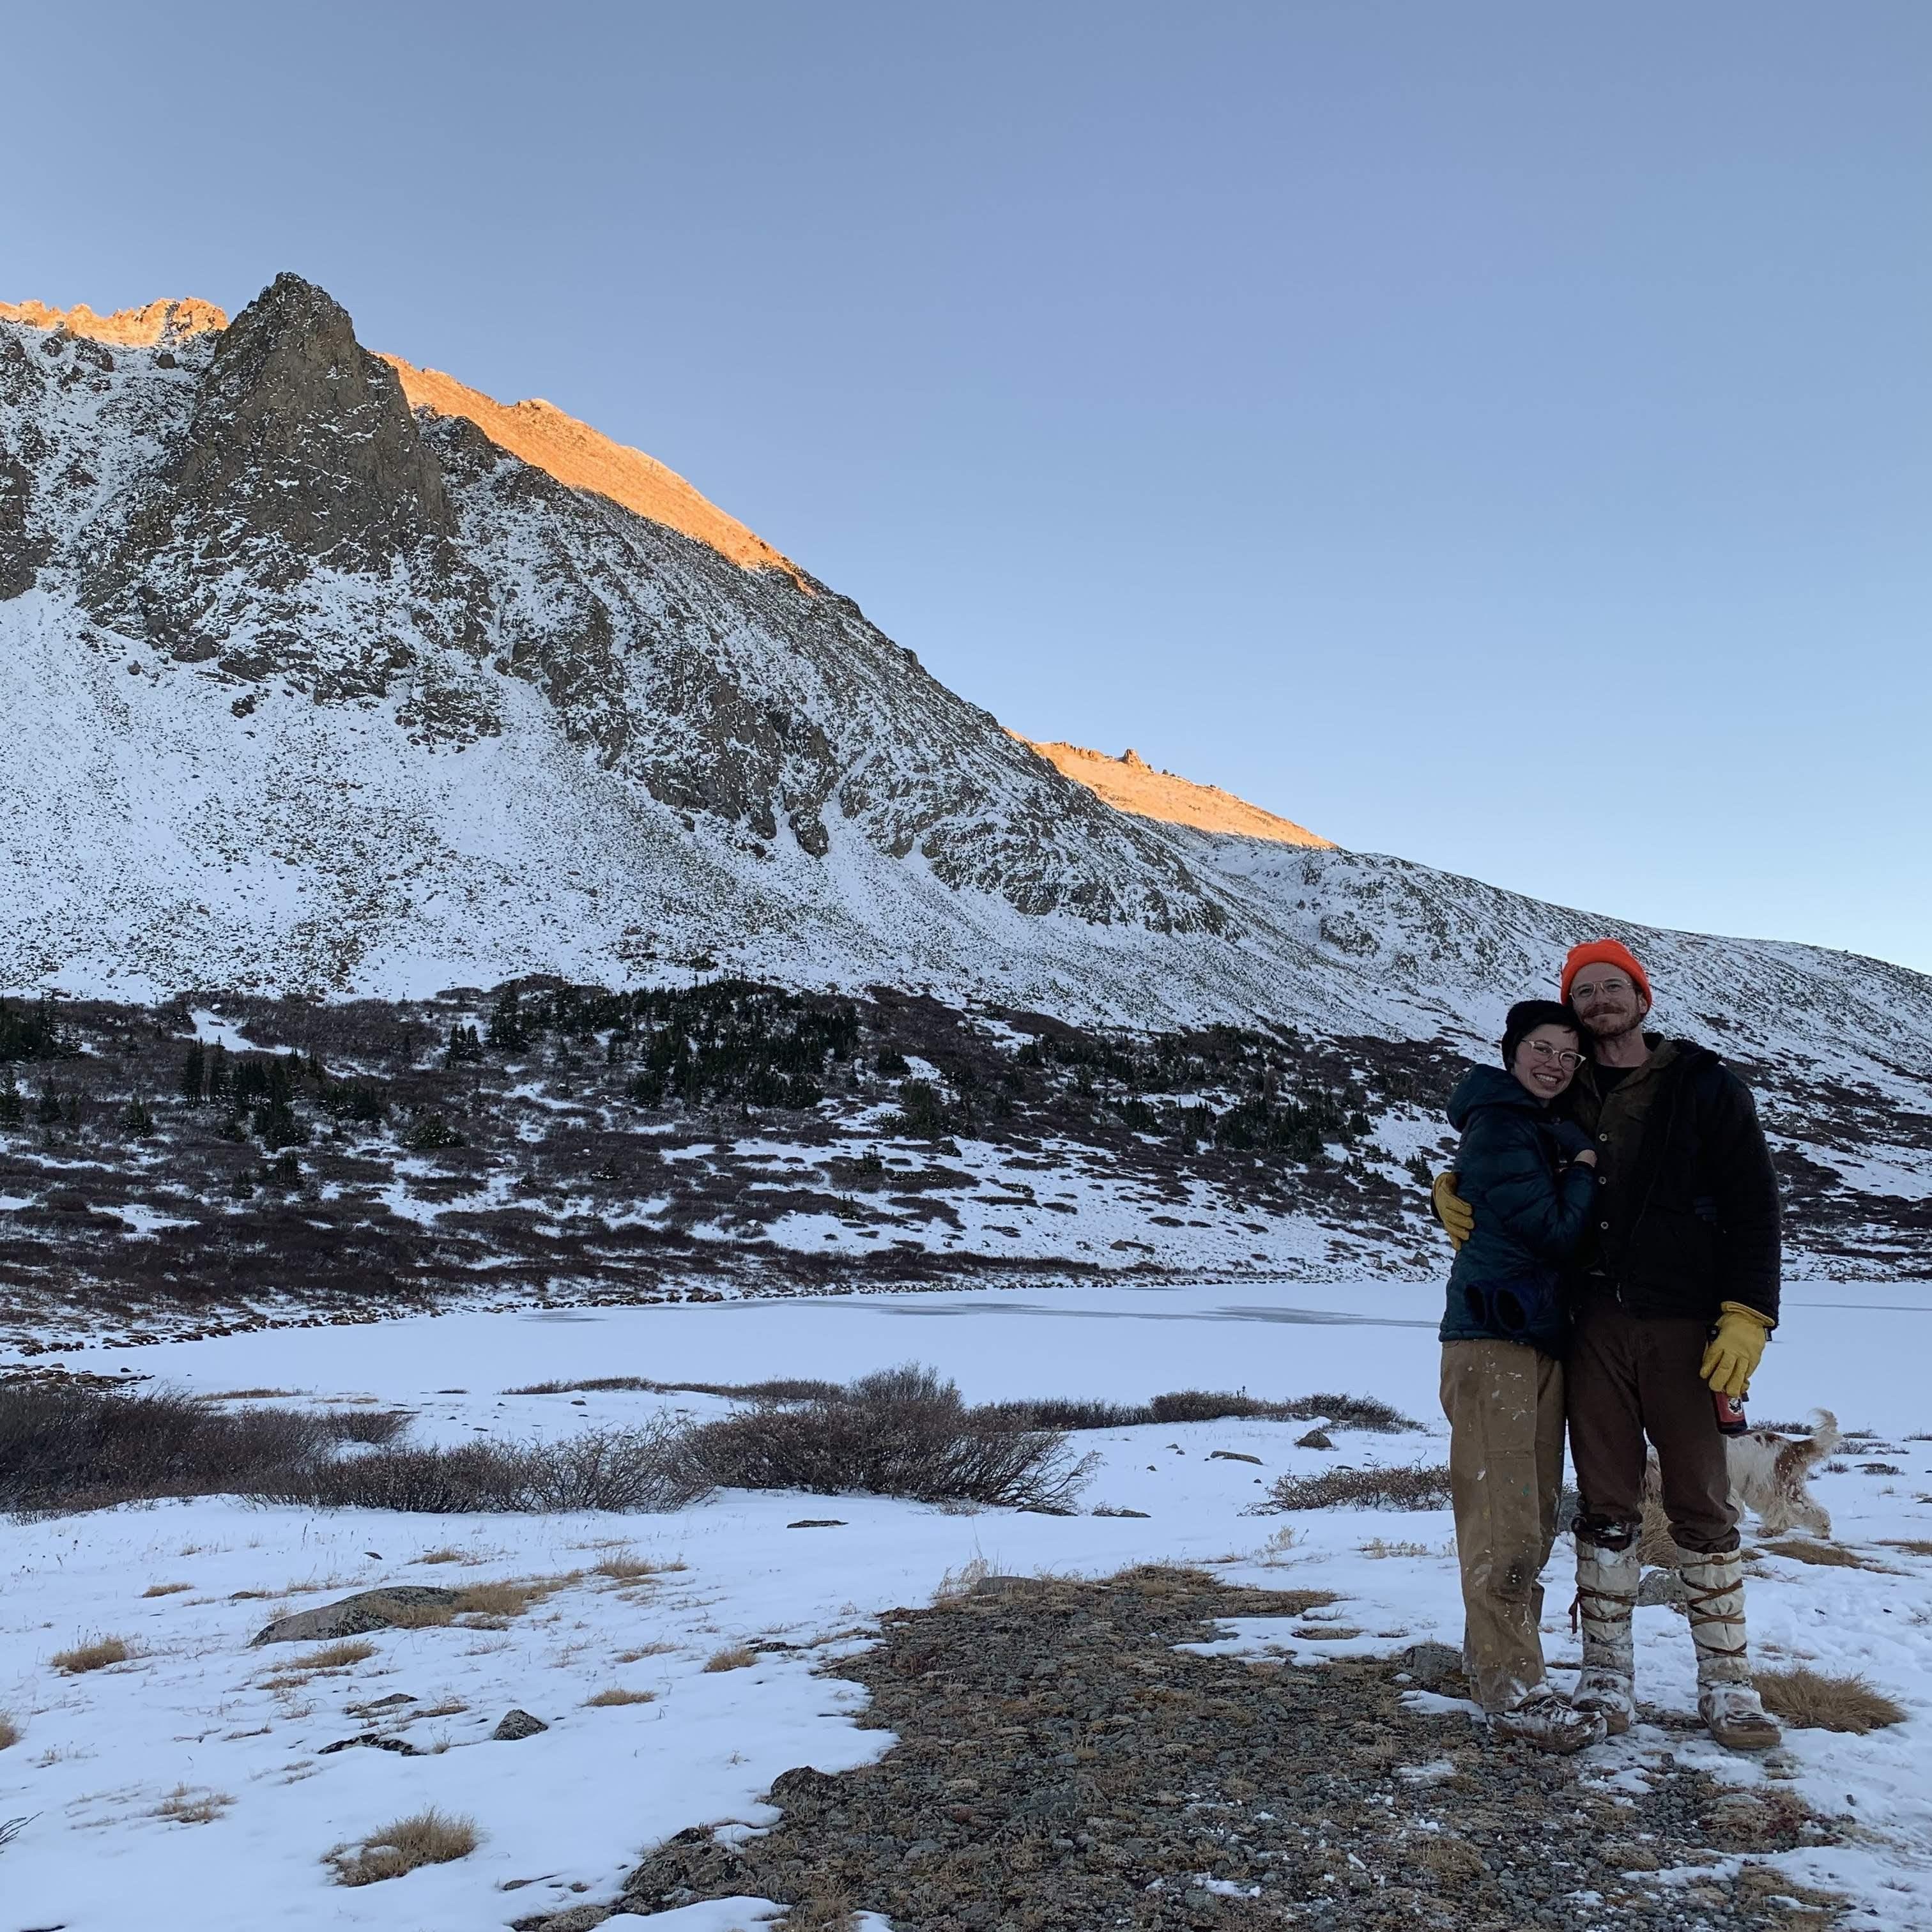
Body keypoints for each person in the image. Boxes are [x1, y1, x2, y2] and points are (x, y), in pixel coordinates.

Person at [1434, 939, 1784, 1751]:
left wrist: (1749, 1312)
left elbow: (1752, 1202)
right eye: (1581, 992)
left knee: (1701, 1496)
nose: (1596, 1003)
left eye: (1610, 988)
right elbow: (1508, 1155)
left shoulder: (1703, 1084)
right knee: (1605, 1501)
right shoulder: (1565, 1094)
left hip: (1684, 1323)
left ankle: (1729, 1685)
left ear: (1641, 998)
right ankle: (1605, 1678)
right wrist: (1452, 1187)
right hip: (1587, 1324)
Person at [1438, 999, 1606, 1753]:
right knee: (1505, 1520)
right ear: (1511, 1052)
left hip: (1533, 1338)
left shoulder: (1533, 1126)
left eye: (1569, 1056)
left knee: (1529, 1519)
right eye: (1542, 1048)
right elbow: (1556, 1233)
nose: (1555, 1064)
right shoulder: (1505, 1126)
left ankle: (1496, 1661)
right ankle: (1513, 1688)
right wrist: (1584, 1171)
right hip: (1495, 1340)